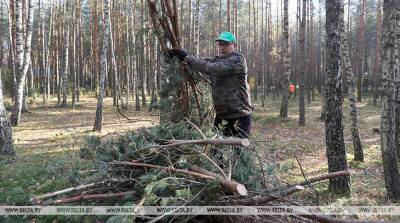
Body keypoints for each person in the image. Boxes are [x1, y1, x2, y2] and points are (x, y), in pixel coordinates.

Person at [168, 32, 253, 139]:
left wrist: (185, 57)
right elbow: (201, 61)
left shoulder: (238, 60)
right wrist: (180, 55)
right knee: (217, 150)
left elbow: (210, 68)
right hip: (222, 116)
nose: (222, 47)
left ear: (234, 46)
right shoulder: (217, 59)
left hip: (240, 116)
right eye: (220, 44)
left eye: (226, 44)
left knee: (240, 150)